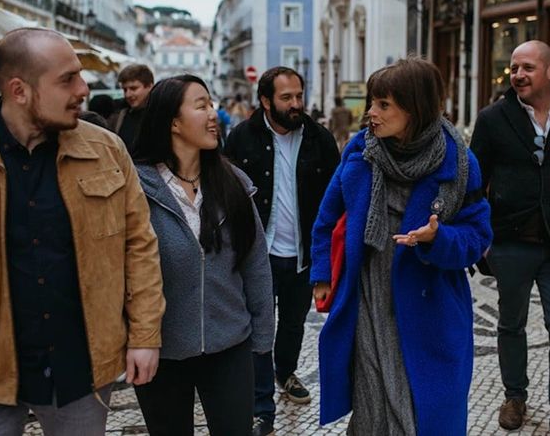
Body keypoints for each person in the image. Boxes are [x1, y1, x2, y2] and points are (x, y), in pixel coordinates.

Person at [0, 28, 165, 436]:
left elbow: (139, 248)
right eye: (67, 79)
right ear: (19, 90)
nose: (83, 89)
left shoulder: (107, 151)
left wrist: (145, 336)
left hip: (81, 371)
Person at [310, 57, 492, 436]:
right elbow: (327, 220)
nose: (370, 114)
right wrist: (322, 274)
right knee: (372, 405)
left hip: (431, 306)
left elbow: (478, 237)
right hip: (368, 298)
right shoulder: (360, 152)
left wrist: (438, 238)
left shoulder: (459, 164)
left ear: (415, 108)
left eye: (383, 105)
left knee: (423, 407)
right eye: (372, 103)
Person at [470, 40, 550, 436]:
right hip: (511, 243)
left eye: (527, 67)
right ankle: (515, 396)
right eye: (514, 68)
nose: (518, 75)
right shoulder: (493, 119)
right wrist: (484, 237)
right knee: (511, 324)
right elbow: (474, 183)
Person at [131, 75, 274, 435]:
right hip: (161, 350)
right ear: (172, 122)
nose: (214, 114)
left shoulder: (233, 183)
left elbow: (255, 261)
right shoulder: (135, 187)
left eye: (212, 104)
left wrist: (262, 337)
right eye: (201, 105)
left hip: (230, 345)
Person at [223, 66, 340, 436]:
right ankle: (261, 406)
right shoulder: (241, 138)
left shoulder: (320, 139)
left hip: (304, 254)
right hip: (259, 255)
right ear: (265, 101)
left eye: (299, 96)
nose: (295, 104)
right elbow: (226, 195)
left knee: (293, 321)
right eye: (286, 97)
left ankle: (286, 372)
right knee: (260, 326)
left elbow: (335, 202)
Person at [108, 64, 154, 152]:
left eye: (133, 88)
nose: (127, 94)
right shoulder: (119, 117)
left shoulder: (161, 115)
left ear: (149, 86)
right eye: (125, 90)